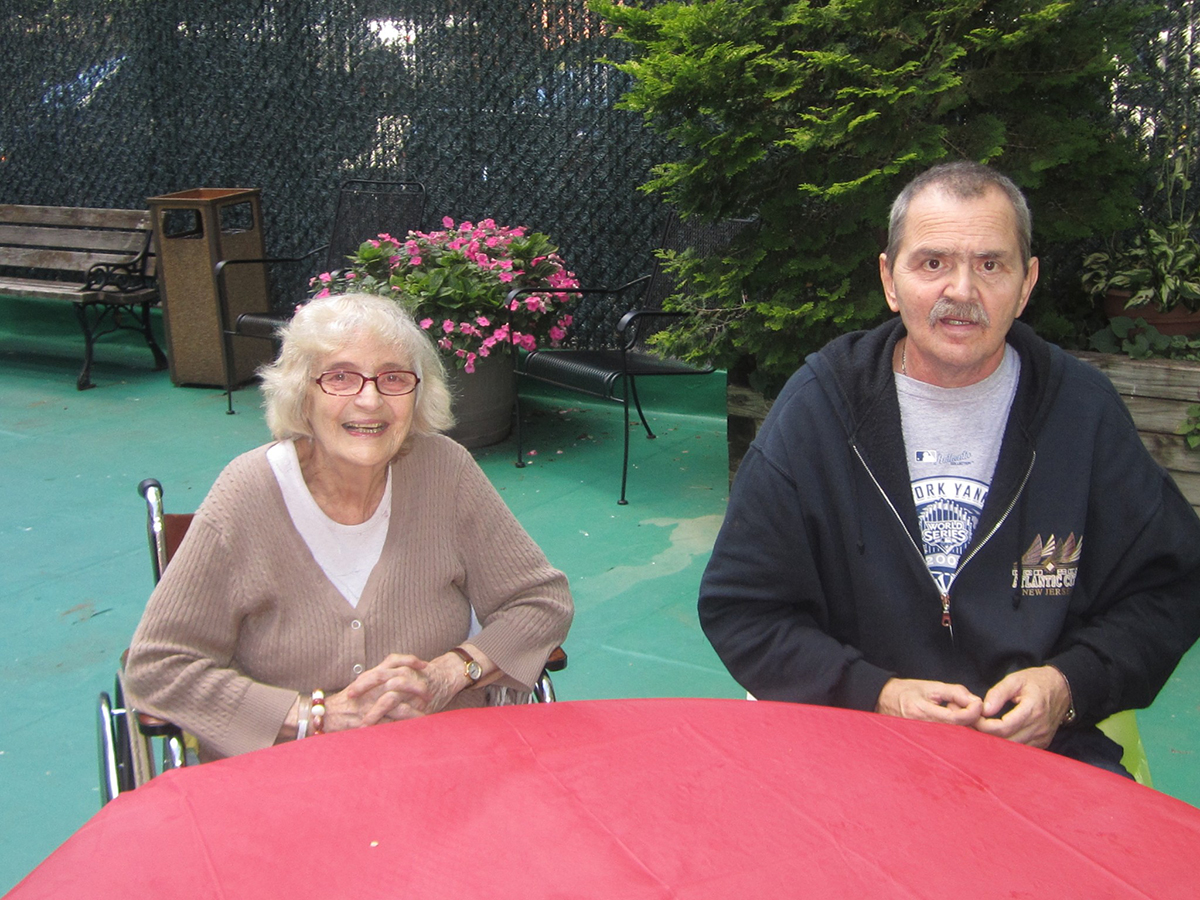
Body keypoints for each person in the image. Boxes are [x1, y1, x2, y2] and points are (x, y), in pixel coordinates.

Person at [698, 161, 1200, 773]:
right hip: (852, 747)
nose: (961, 291)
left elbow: (1173, 587)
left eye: (990, 265)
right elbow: (741, 605)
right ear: (889, 279)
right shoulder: (820, 410)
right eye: (932, 263)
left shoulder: (1082, 412)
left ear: (1026, 283)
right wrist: (875, 695)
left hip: (1044, 760)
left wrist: (1070, 685)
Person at [125, 292, 573, 761]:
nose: (370, 400)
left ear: (418, 393)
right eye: (340, 377)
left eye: (393, 378)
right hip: (288, 775)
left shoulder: (445, 470)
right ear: (302, 393)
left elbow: (540, 601)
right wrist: (315, 715)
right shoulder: (247, 492)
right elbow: (159, 667)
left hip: (443, 759)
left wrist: (451, 673)